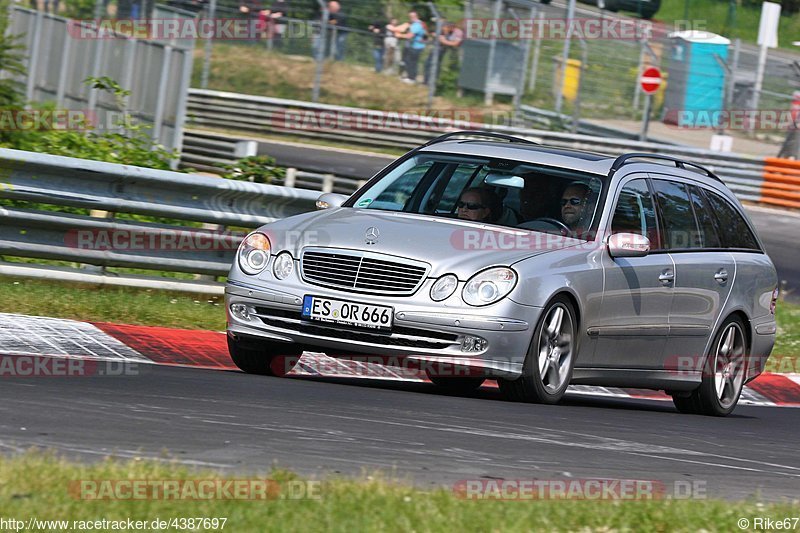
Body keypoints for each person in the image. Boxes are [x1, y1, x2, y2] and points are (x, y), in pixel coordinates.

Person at [397, 11, 427, 84]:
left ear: (417, 16)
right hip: (414, 45)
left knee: (411, 62)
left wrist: (400, 35)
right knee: (409, 61)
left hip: (417, 46)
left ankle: (411, 78)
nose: (411, 18)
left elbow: (410, 35)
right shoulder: (416, 24)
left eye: (413, 16)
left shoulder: (417, 24)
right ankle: (410, 77)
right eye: (410, 16)